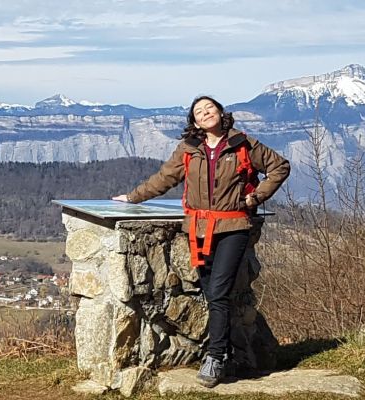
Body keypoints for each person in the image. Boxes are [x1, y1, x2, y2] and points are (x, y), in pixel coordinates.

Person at [112, 95, 290, 387]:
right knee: (211, 292)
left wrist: (254, 197)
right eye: (199, 112)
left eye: (210, 108)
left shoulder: (243, 144)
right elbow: (164, 178)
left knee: (218, 293)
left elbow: (280, 167)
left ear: (221, 113)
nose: (206, 113)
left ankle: (215, 356)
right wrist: (132, 197)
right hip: (198, 229)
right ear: (195, 122)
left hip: (234, 225)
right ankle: (230, 351)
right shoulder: (189, 149)